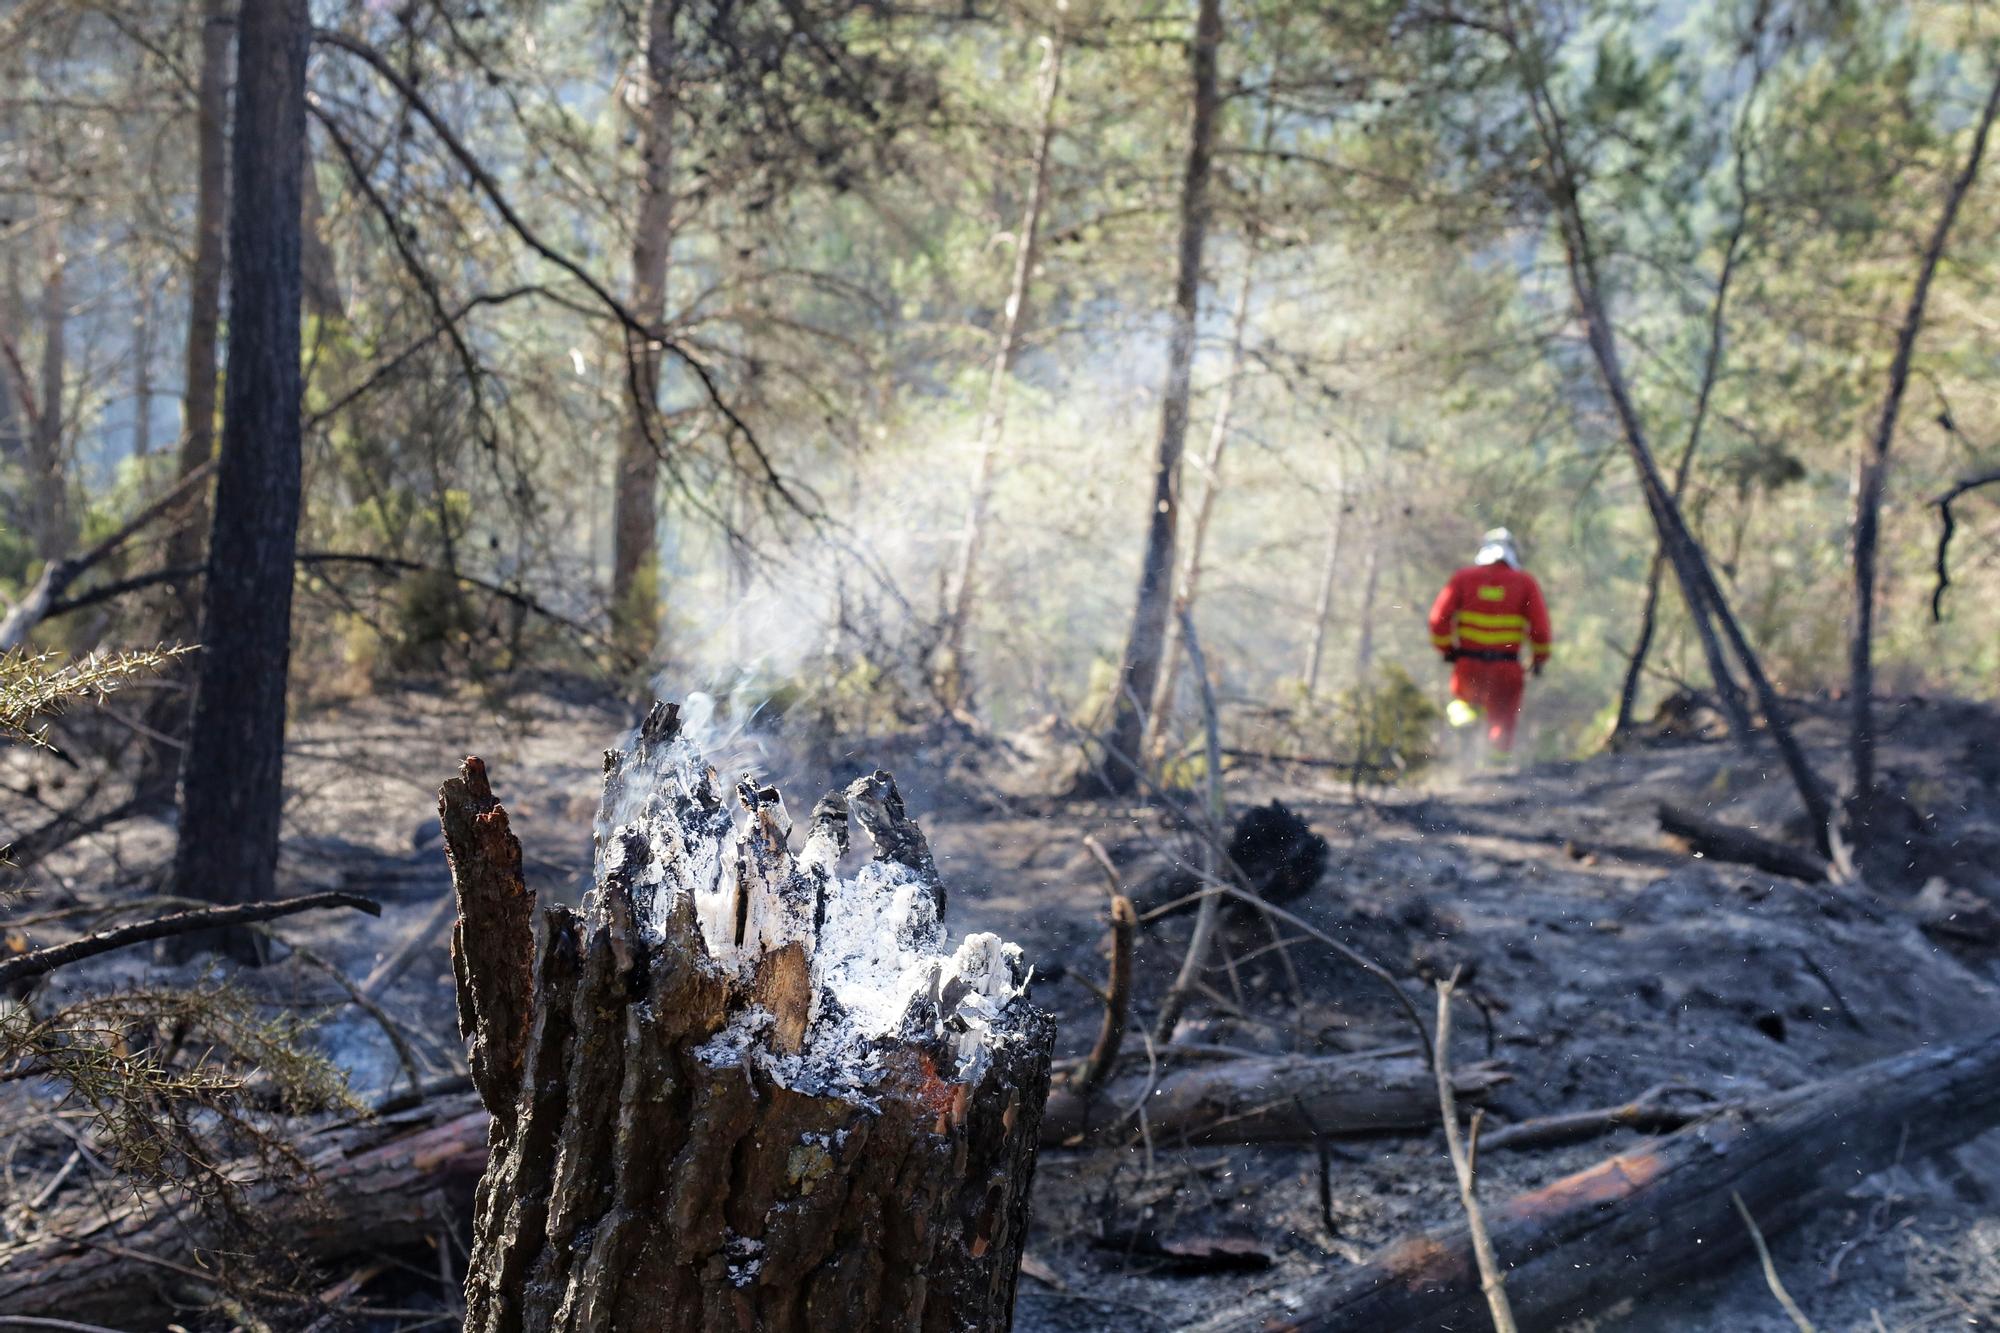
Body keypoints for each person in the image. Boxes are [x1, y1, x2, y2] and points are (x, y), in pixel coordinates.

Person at [1426, 527, 1552, 753]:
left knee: (1463, 706)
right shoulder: (1525, 583)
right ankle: (1497, 773)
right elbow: (1540, 631)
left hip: (1467, 666)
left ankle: (1463, 746)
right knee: (1501, 723)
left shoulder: (1463, 579)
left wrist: (1446, 649)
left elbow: (1438, 620)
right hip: (1507, 669)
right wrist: (1539, 659)